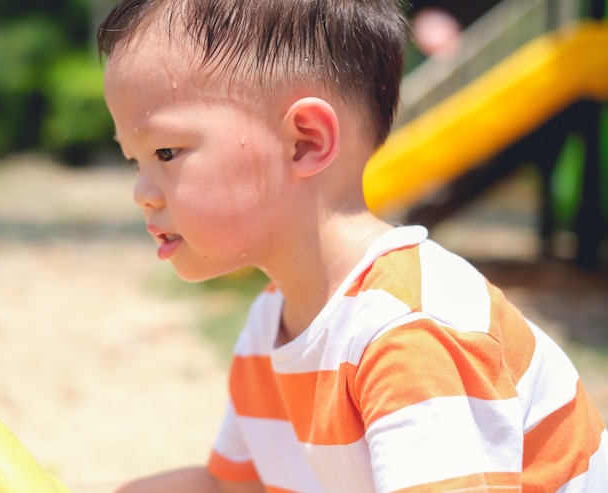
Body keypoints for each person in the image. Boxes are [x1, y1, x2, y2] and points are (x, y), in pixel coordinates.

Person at [96, 0, 608, 491]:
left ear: (305, 142)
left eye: (165, 151)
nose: (142, 193)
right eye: (134, 161)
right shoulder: (269, 326)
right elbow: (231, 487)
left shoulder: (410, 330)